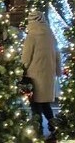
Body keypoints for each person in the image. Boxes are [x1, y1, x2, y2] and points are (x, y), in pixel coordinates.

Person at [22, 11, 60, 141]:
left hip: (34, 75)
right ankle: (54, 128)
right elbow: (57, 54)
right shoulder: (50, 35)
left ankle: (38, 131)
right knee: (45, 104)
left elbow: (26, 57)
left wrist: (21, 69)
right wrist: (58, 71)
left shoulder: (31, 36)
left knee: (35, 105)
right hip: (48, 76)